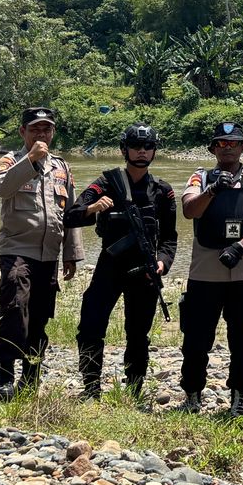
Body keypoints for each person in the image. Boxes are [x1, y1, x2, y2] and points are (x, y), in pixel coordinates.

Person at [68, 122, 178, 400]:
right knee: (91, 325)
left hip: (144, 270)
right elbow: (70, 216)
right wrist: (92, 209)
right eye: (135, 146)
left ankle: (134, 389)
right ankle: (91, 387)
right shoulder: (106, 183)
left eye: (148, 147)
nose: (142, 152)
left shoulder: (162, 191)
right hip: (110, 265)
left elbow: (170, 238)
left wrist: (163, 263)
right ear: (123, 149)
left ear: (154, 151)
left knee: (138, 333)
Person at [178, 122, 243, 416]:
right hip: (204, 271)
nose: (227, 148)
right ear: (213, 148)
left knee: (242, 337)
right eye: (221, 144)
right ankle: (193, 394)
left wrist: (241, 247)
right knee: (196, 337)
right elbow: (189, 210)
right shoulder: (201, 176)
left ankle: (239, 395)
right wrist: (211, 191)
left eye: (233, 143)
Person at [0, 105, 85, 400]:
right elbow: (2, 189)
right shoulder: (10, 160)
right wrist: (30, 159)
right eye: (35, 129)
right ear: (23, 132)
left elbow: (70, 212)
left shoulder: (62, 167)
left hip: (49, 254)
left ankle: (30, 377)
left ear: (53, 132)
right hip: (16, 249)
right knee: (15, 308)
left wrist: (72, 253)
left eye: (46, 129)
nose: (41, 134)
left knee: (40, 316)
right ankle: (4, 377)